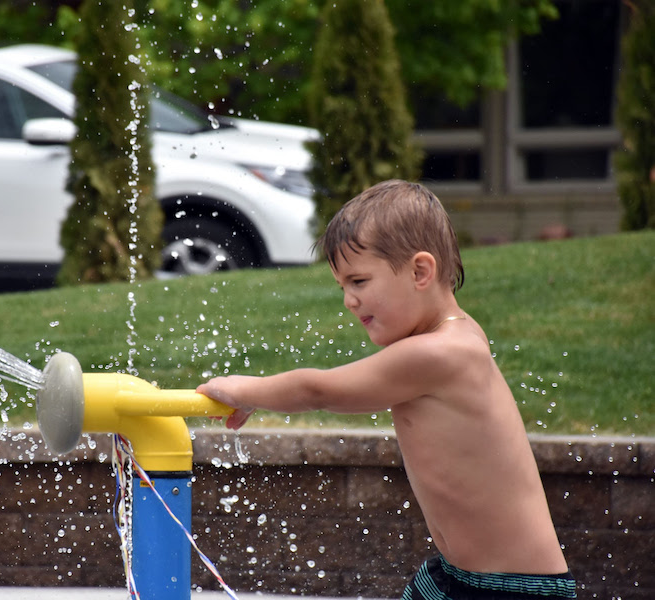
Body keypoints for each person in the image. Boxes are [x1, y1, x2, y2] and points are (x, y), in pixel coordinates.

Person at [196, 180, 577, 599]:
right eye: (343, 286)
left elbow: (320, 391)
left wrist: (246, 389)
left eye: (359, 281)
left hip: (513, 591)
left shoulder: (442, 353)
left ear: (420, 272)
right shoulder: (451, 337)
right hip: (456, 577)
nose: (349, 300)